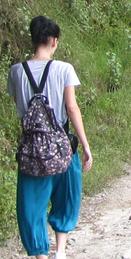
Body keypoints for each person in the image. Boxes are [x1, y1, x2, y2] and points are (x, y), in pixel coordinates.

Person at [6, 16, 93, 259]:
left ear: (33, 40)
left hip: (31, 147)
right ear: (54, 40)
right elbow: (72, 108)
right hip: (61, 144)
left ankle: (40, 255)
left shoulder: (16, 72)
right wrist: (85, 145)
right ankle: (61, 251)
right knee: (66, 195)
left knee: (31, 204)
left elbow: (19, 108)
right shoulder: (64, 69)